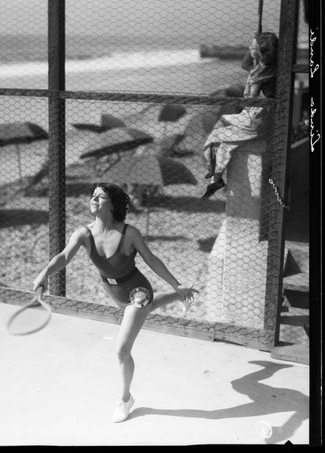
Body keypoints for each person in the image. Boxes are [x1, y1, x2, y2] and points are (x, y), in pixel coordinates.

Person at [33, 182, 197, 423]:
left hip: (138, 291)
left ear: (113, 204)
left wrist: (175, 282)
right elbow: (63, 257)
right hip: (115, 293)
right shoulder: (83, 234)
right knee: (142, 309)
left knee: (122, 349)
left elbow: (151, 259)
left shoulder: (129, 234)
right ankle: (180, 295)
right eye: (93, 196)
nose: (94, 200)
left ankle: (125, 399)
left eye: (100, 197)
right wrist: (43, 275)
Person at [202, 32, 278, 199]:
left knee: (216, 133)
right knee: (226, 143)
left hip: (257, 120)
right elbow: (246, 65)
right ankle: (216, 178)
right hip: (266, 118)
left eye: (253, 47)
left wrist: (242, 92)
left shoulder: (261, 72)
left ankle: (212, 170)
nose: (249, 48)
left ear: (261, 51)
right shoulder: (271, 67)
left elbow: (249, 100)